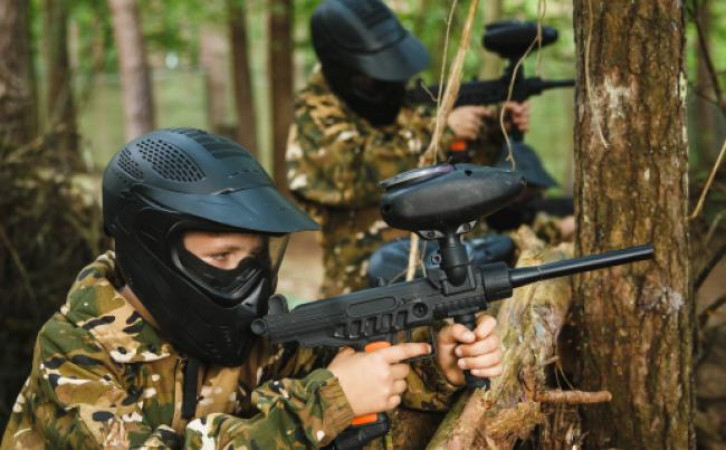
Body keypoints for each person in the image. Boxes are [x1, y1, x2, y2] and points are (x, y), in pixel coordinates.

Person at [1, 128, 504, 449]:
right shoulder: (72, 352)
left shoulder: (247, 335)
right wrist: (322, 404)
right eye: (221, 257)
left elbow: (338, 371)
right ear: (148, 249)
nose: (244, 276)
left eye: (255, 256)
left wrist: (438, 367)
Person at [286, 0, 530, 297]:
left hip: (438, 269)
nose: (388, 87)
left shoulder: (399, 103)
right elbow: (353, 171)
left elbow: (452, 173)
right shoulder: (314, 114)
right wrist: (442, 130)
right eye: (373, 79)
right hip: (363, 289)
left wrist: (493, 128)